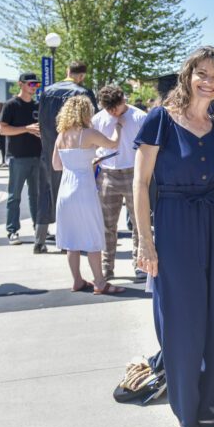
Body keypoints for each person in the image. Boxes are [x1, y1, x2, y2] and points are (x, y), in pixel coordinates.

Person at [135, 45, 214, 427]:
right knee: (180, 318)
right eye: (202, 73)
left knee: (212, 315)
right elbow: (140, 184)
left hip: (213, 219)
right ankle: (185, 408)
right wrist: (145, 241)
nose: (209, 81)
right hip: (174, 222)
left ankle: (211, 404)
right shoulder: (161, 119)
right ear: (188, 75)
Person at [52, 95, 125, 295]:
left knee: (71, 239)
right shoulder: (88, 133)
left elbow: (56, 165)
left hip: (65, 189)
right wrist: (118, 127)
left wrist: (82, 161)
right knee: (93, 235)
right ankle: (100, 282)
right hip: (83, 188)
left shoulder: (61, 135)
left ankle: (76, 280)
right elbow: (113, 144)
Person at [37, 61, 97, 255]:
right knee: (76, 198)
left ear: (67, 71)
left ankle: (39, 240)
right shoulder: (82, 93)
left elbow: (41, 122)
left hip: (50, 148)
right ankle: (71, 242)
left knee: (47, 191)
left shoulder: (47, 92)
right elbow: (91, 124)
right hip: (76, 152)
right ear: (81, 76)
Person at [91, 85, 147, 281]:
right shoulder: (98, 119)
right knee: (107, 224)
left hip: (135, 173)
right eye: (109, 109)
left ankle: (140, 264)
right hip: (107, 174)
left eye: (115, 107)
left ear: (123, 100)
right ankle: (107, 267)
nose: (113, 113)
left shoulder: (139, 117)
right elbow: (92, 145)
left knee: (139, 223)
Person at [0, 72, 44, 248]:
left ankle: (38, 228)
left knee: (37, 195)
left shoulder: (37, 105)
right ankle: (12, 230)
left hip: (37, 156)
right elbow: (3, 130)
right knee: (14, 196)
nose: (34, 87)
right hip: (18, 157)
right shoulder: (11, 105)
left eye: (36, 85)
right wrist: (26, 129)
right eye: (31, 84)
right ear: (21, 84)